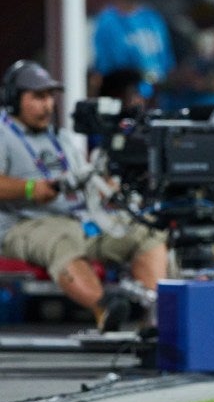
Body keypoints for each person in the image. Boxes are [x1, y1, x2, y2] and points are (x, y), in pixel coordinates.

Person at [0, 60, 167, 332]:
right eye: (38, 97)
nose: (47, 105)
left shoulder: (61, 138)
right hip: (23, 224)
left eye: (50, 97)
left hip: (79, 219)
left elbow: (84, 179)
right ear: (13, 99)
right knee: (61, 240)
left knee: (146, 232)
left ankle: (156, 321)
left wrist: (106, 188)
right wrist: (31, 189)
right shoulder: (3, 133)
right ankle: (105, 309)